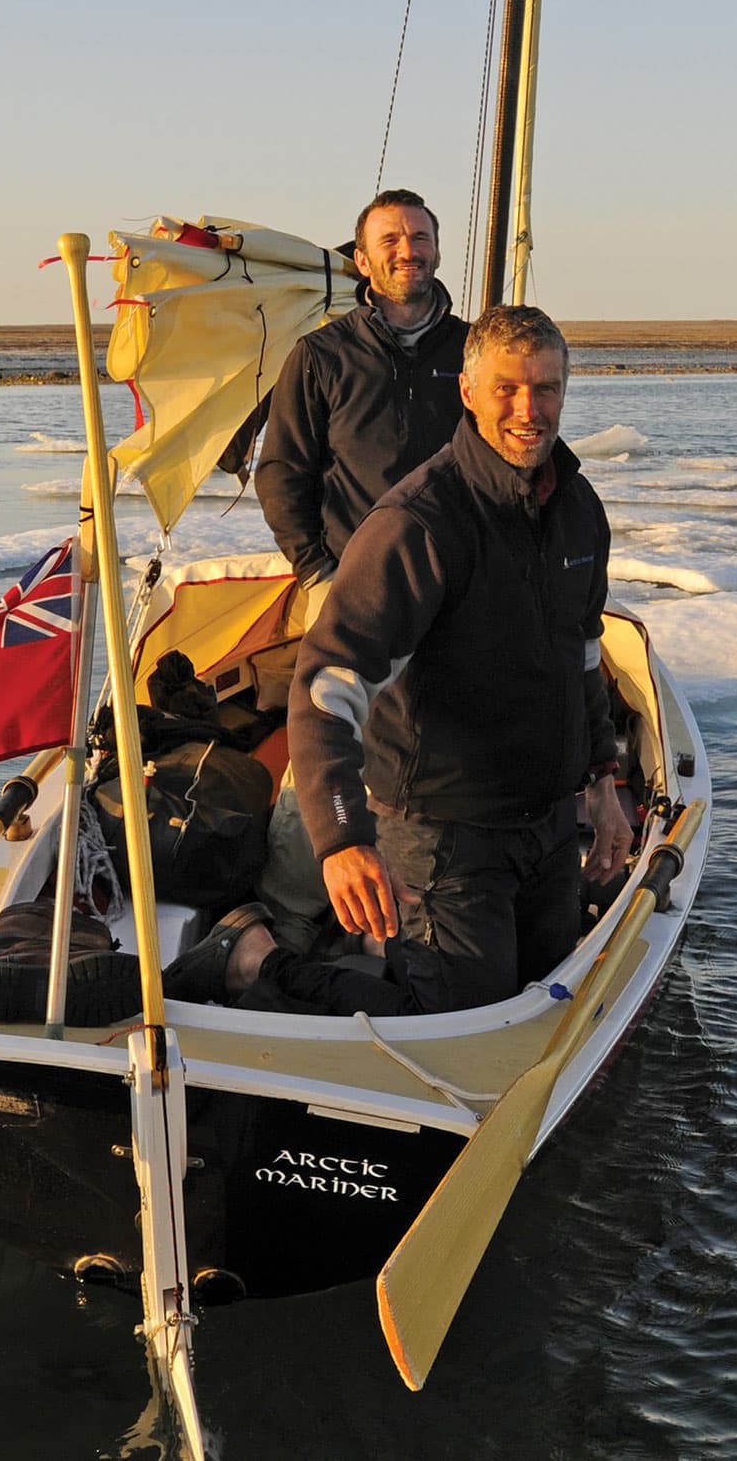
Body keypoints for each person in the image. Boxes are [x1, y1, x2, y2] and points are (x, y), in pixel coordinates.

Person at [173, 305, 632, 1017]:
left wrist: (603, 779)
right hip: (444, 831)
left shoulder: (576, 508)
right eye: (508, 388)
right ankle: (251, 961)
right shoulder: (419, 525)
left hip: (543, 822)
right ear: (470, 392)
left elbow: (583, 653)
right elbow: (326, 685)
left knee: (547, 997)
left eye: (546, 389)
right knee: (457, 1022)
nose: (528, 410)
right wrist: (341, 838)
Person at [251, 189, 472, 957]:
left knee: (440, 752)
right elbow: (281, 475)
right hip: (354, 593)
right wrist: (317, 573)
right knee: (324, 748)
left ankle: (418, 915)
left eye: (419, 236)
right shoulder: (322, 356)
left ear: (438, 249)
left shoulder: (475, 356)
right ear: (364, 258)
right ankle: (289, 914)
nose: (407, 249)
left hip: (457, 596)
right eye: (391, 239)